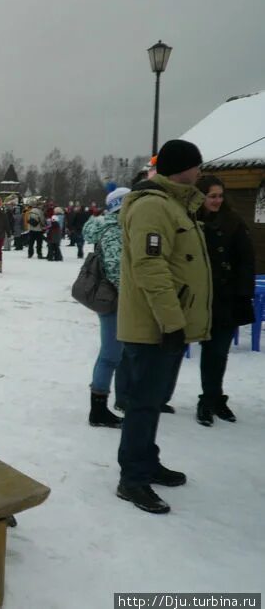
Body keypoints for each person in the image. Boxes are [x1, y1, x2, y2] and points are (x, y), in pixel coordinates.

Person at [116, 139, 211, 514]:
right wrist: (172, 322)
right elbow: (151, 268)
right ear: (182, 168)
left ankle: (146, 461)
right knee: (142, 403)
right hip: (152, 326)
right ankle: (133, 478)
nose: (200, 172)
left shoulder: (174, 205)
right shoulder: (154, 207)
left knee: (154, 401)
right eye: (197, 166)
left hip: (168, 324)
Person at [194, 175, 255, 426]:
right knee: (199, 350)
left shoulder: (233, 222)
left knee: (218, 351)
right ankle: (205, 398)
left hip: (227, 298)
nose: (217, 200)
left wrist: (243, 293)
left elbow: (246, 259)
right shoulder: (191, 222)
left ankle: (212, 398)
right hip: (199, 297)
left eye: (220, 195)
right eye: (212, 196)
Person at [83, 187, 131, 428]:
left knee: (117, 354)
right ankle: (98, 409)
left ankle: (119, 400)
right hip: (114, 300)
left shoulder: (118, 228)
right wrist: (133, 298)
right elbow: (116, 270)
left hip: (117, 299)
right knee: (110, 355)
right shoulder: (114, 231)